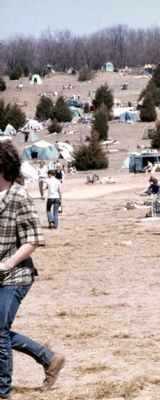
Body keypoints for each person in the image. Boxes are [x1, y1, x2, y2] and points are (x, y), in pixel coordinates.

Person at [0, 142, 65, 398]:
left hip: (16, 275)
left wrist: (6, 263)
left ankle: (2, 390)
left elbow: (34, 238)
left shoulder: (18, 195)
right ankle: (49, 358)